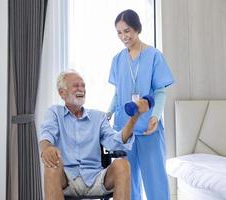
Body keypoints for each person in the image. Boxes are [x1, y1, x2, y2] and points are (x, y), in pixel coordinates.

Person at [39, 70, 150, 200]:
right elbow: (46, 135)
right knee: (52, 165)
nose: (81, 89)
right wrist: (46, 148)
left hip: (96, 178)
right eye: (76, 86)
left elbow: (115, 142)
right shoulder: (54, 113)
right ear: (62, 93)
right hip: (67, 179)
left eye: (83, 85)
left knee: (122, 164)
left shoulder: (99, 117)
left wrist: (134, 118)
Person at [107, 9, 175, 200]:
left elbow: (161, 91)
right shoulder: (117, 60)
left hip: (148, 128)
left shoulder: (154, 56)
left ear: (137, 28)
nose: (123, 36)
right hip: (124, 129)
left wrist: (155, 116)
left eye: (127, 30)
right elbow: (118, 93)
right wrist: (108, 112)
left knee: (156, 180)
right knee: (127, 182)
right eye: (119, 32)